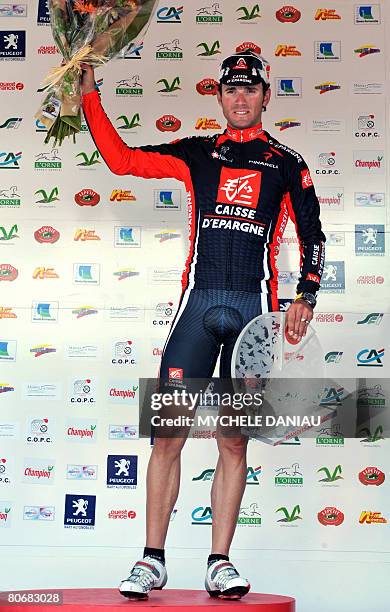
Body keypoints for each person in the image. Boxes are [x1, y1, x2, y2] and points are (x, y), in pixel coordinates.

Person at [81, 49, 325, 600]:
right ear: (219, 96)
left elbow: (313, 237)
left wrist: (306, 295)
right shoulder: (198, 153)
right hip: (198, 307)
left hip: (249, 313)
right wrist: (89, 91)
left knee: (233, 441)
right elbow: (121, 161)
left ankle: (219, 563)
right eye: (231, 89)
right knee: (167, 434)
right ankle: (151, 560)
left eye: (250, 89)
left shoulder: (286, 162)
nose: (240, 98)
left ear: (266, 97)